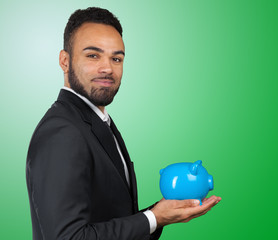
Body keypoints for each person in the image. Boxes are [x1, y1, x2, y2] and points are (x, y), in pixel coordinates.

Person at [26, 7, 221, 240]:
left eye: (116, 58)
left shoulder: (98, 121)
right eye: (93, 55)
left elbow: (110, 219)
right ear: (64, 61)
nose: (108, 68)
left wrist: (160, 215)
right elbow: (68, 237)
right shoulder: (62, 132)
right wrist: (153, 218)